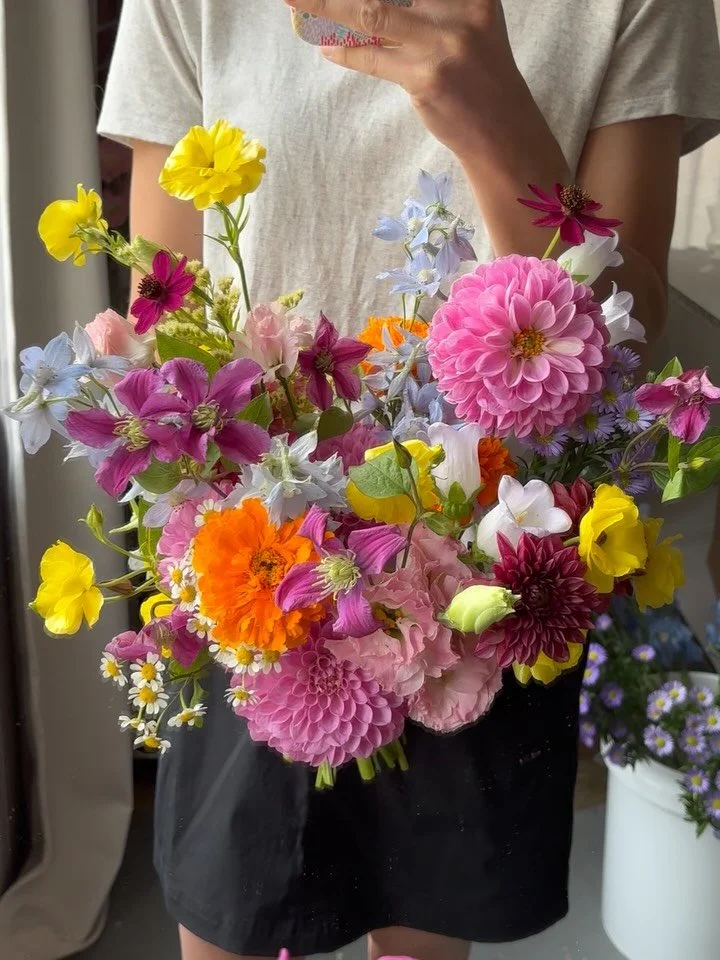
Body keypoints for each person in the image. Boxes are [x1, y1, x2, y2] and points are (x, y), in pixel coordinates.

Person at [98, 1, 720, 958]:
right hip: (252, 560)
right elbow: (169, 308)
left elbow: (623, 335)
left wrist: (496, 123)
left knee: (425, 937)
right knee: (233, 920)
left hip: (493, 567)